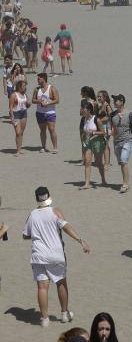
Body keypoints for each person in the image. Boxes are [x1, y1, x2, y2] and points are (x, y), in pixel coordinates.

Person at [22, 186, 90, 328]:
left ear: (37, 199)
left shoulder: (32, 214)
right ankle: (64, 314)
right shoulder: (56, 211)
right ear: (49, 197)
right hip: (55, 254)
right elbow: (65, 227)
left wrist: (38, 234)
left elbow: (25, 235)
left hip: (38, 255)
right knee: (61, 282)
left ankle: (45, 319)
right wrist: (81, 240)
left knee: (42, 287)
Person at [110, 94, 132, 193]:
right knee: (121, 162)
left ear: (122, 102)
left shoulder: (130, 114)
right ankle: (125, 182)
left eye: (116, 100)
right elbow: (112, 128)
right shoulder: (112, 115)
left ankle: (125, 184)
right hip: (116, 142)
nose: (114, 102)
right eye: (114, 100)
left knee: (123, 161)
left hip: (127, 140)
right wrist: (109, 133)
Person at [79, 99, 107, 189]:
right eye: (82, 109)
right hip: (88, 143)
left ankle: (103, 179)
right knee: (87, 162)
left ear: (89, 110)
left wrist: (94, 133)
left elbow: (103, 132)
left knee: (99, 163)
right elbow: (84, 131)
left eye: (84, 109)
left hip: (97, 142)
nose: (82, 110)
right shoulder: (84, 119)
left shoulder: (96, 119)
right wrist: (83, 138)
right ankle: (87, 183)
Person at [31, 72, 59, 153]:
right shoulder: (37, 89)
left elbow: (57, 100)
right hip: (40, 112)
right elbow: (33, 100)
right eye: (38, 79)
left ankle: (55, 147)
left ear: (44, 79)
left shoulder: (52, 88)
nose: (38, 80)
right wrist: (39, 101)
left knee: (51, 129)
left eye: (39, 79)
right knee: (42, 130)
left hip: (50, 112)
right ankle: (43, 147)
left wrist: (48, 103)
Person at [9, 77, 29, 156]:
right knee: (18, 133)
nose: (25, 87)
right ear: (19, 86)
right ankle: (17, 150)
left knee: (21, 132)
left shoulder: (24, 95)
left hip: (24, 113)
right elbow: (10, 107)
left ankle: (19, 149)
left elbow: (27, 105)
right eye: (24, 86)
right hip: (16, 113)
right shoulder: (14, 95)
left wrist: (28, 103)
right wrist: (12, 118)